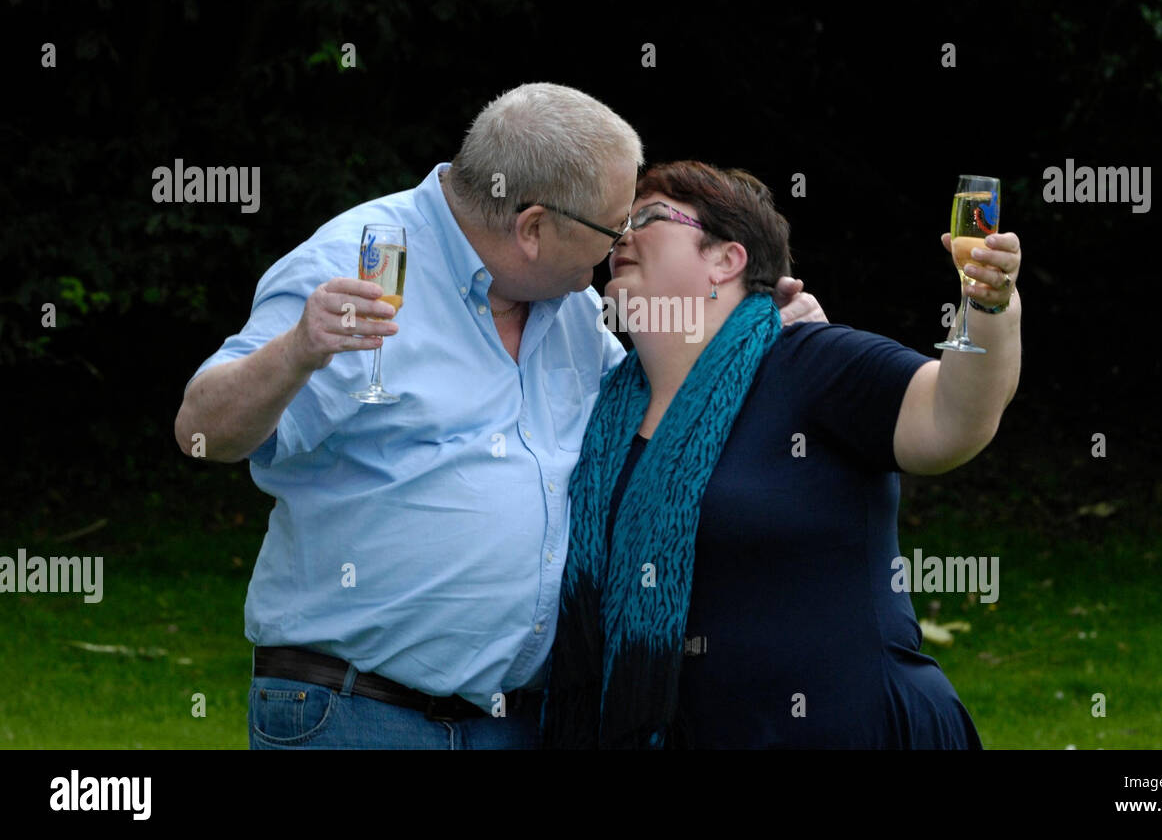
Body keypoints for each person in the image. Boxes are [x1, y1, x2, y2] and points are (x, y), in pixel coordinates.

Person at [172, 84, 824, 749]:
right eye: (612, 228)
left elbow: (661, 409)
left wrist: (762, 330)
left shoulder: (568, 306)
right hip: (359, 712)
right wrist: (296, 350)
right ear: (533, 227)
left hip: (521, 723)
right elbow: (201, 431)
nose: (619, 247)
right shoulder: (360, 262)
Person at [541, 160, 1022, 749]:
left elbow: (956, 420)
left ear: (727, 258)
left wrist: (990, 305)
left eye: (648, 217)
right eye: (620, 223)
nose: (624, 236)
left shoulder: (810, 361)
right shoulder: (605, 409)